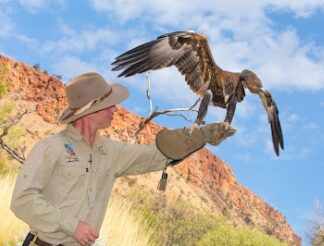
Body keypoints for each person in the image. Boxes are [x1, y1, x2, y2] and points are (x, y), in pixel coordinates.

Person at [11, 72, 235, 246]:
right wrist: (71, 226)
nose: (115, 109)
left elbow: (155, 154)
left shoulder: (111, 152)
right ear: (90, 110)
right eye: (108, 104)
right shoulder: (52, 148)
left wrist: (203, 135)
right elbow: (23, 200)